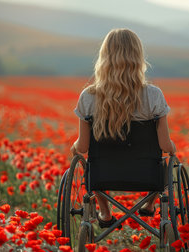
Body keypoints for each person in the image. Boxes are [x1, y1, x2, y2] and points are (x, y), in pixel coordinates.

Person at [70, 28, 176, 228]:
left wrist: (74, 146)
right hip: (145, 175)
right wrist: (173, 148)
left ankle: (105, 211)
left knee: (93, 164)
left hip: (104, 174)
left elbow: (83, 147)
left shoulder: (88, 96)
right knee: (163, 162)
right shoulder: (153, 95)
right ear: (138, 57)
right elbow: (164, 144)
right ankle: (150, 202)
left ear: (104, 58)